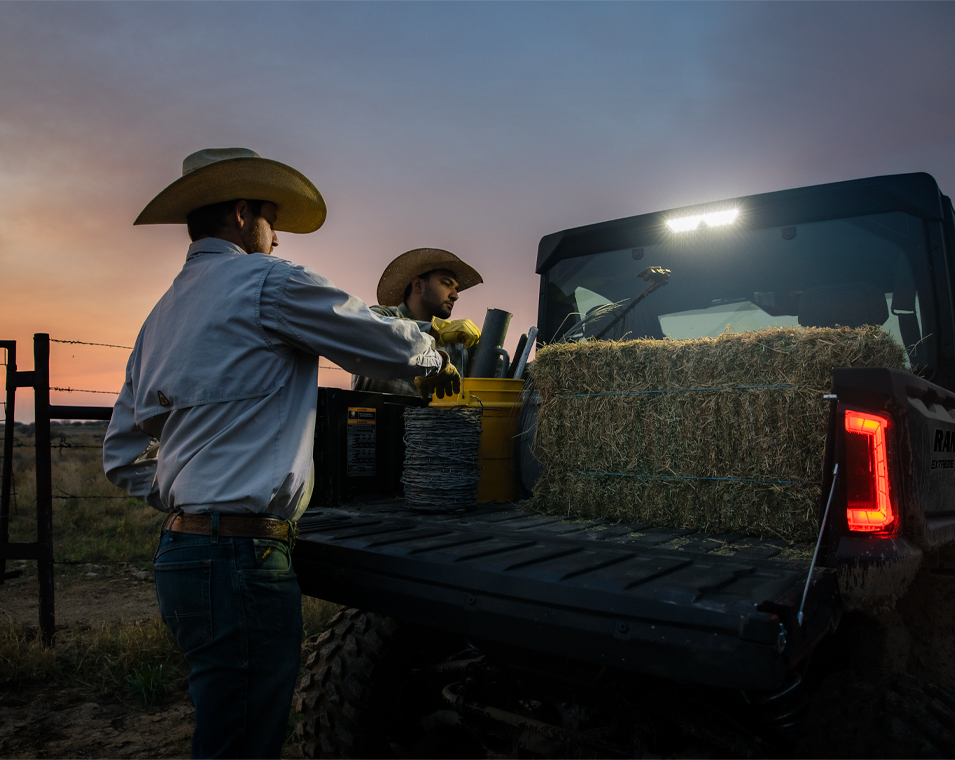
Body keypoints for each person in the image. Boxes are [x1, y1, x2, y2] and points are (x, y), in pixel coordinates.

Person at [102, 147, 459, 759]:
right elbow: (386, 346)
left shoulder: (160, 316)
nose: (277, 237)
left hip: (180, 556)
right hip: (243, 560)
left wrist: (194, 498)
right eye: (272, 220)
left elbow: (119, 455)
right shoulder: (269, 282)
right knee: (244, 740)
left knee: (225, 725)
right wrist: (434, 356)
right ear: (243, 214)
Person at [352, 247, 484, 395]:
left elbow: (494, 378)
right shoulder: (380, 316)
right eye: (446, 284)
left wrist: (485, 346)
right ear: (418, 285)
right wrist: (435, 329)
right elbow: (362, 329)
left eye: (456, 289)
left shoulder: (461, 342)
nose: (455, 296)